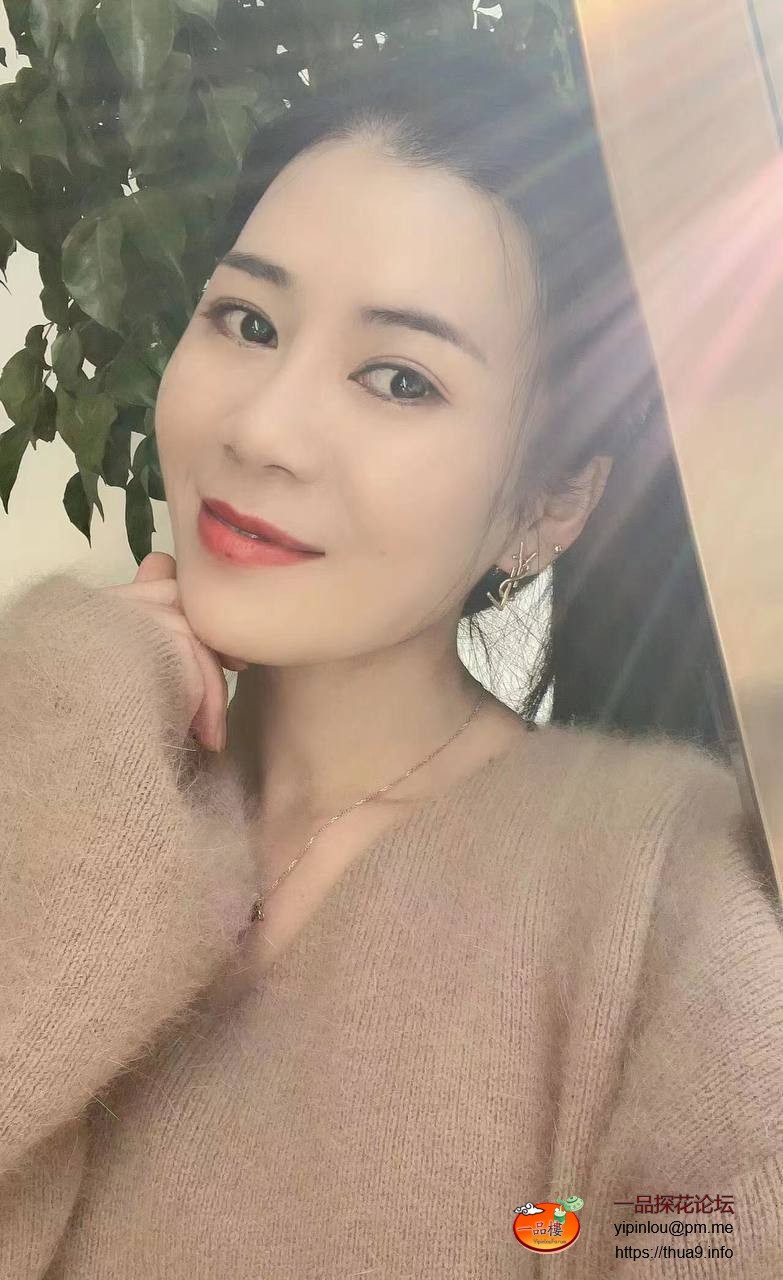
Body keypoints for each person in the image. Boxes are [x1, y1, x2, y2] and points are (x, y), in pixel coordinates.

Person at [1, 38, 781, 1279]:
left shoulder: (667, 901)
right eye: (247, 320)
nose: (263, 428)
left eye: (401, 379)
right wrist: (78, 704)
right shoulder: (54, 748)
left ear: (552, 504)